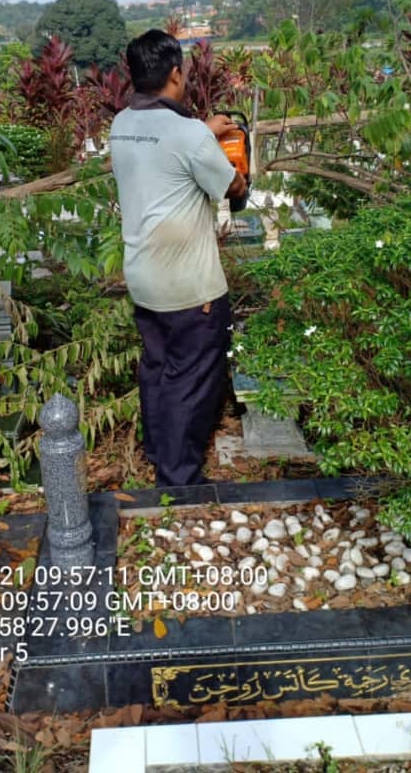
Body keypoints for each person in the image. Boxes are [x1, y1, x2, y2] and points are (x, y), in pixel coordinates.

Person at [109, 29, 247, 487]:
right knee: (192, 380)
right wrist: (233, 164)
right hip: (190, 287)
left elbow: (168, 147)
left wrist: (206, 133)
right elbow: (231, 187)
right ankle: (180, 478)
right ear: (174, 73)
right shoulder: (187, 134)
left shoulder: (123, 124)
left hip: (145, 278)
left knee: (159, 368)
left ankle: (158, 452)